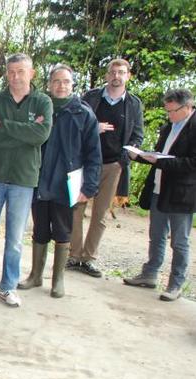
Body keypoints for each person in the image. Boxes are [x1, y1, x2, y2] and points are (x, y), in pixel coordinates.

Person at [0, 53, 53, 307]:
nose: (15, 77)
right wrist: (23, 131)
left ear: (31, 73)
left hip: (24, 179)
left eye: (21, 71)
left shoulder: (42, 102)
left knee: (14, 240)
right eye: (11, 72)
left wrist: (6, 125)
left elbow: (40, 135)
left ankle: (8, 287)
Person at [19, 64, 101, 298]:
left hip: (67, 184)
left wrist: (89, 186)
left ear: (72, 84)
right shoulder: (40, 108)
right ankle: (35, 276)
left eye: (65, 81)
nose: (61, 86)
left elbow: (94, 153)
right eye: (56, 81)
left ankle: (58, 280)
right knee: (40, 229)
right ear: (49, 84)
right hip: (39, 180)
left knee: (63, 231)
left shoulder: (84, 114)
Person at [69, 58, 144, 277]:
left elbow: (138, 134)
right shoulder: (91, 97)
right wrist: (93, 127)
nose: (116, 76)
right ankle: (73, 256)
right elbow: (75, 123)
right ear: (106, 75)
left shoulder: (133, 103)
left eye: (121, 72)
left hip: (112, 165)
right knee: (75, 209)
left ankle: (88, 258)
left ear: (128, 76)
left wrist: (126, 158)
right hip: (84, 162)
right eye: (113, 72)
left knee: (99, 214)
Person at [123, 89, 196, 301]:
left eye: (173, 111)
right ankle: (150, 274)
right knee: (156, 236)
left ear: (187, 107)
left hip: (181, 194)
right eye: (167, 111)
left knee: (179, 242)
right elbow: (158, 155)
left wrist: (161, 161)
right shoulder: (167, 127)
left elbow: (191, 164)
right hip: (159, 189)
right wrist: (138, 156)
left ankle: (176, 283)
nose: (169, 115)